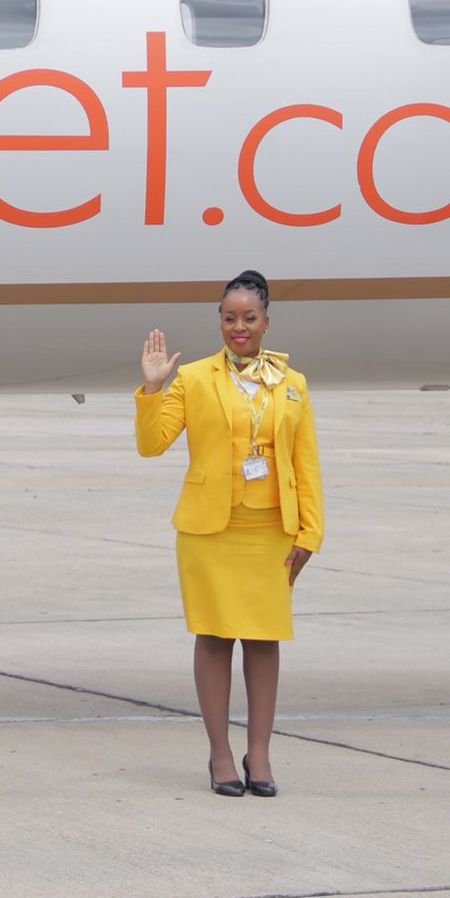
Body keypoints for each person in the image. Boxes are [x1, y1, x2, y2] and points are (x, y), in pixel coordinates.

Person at [135, 270, 324, 797]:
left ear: (266, 323)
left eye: (249, 318)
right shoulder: (194, 378)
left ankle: (258, 752)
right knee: (215, 637)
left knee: (264, 640)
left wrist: (310, 533)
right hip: (209, 531)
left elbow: (307, 464)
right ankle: (220, 753)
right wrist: (153, 387)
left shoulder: (292, 384)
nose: (238, 327)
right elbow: (152, 445)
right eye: (229, 318)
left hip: (271, 530)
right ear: (219, 322)